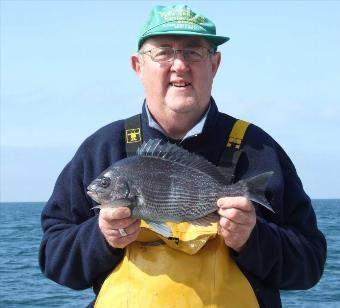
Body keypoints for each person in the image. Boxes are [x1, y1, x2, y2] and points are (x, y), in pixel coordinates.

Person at [39, 4, 326, 308]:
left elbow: (310, 265)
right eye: (163, 52)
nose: (179, 65)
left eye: (193, 52)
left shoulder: (259, 149)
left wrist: (253, 238)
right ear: (138, 66)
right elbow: (54, 260)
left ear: (214, 65)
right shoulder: (102, 148)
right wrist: (100, 236)